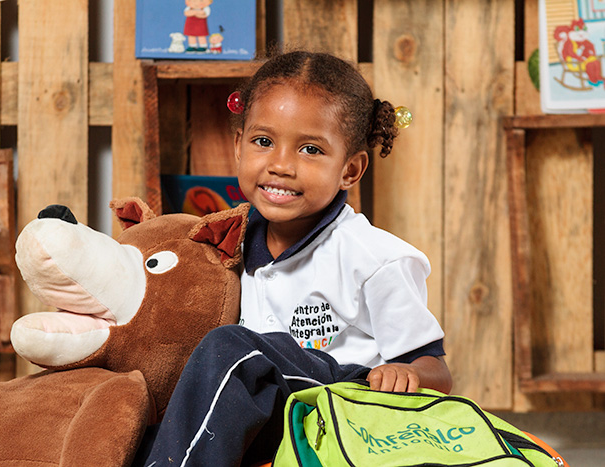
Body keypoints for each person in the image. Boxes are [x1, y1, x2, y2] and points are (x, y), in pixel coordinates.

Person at [136, 50, 452, 467]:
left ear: (350, 170)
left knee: (232, 349)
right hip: (265, 415)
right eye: (263, 142)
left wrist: (407, 373)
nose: (281, 165)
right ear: (238, 146)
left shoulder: (375, 259)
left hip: (339, 408)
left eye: (310, 149)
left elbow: (437, 372)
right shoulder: (226, 244)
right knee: (136, 429)